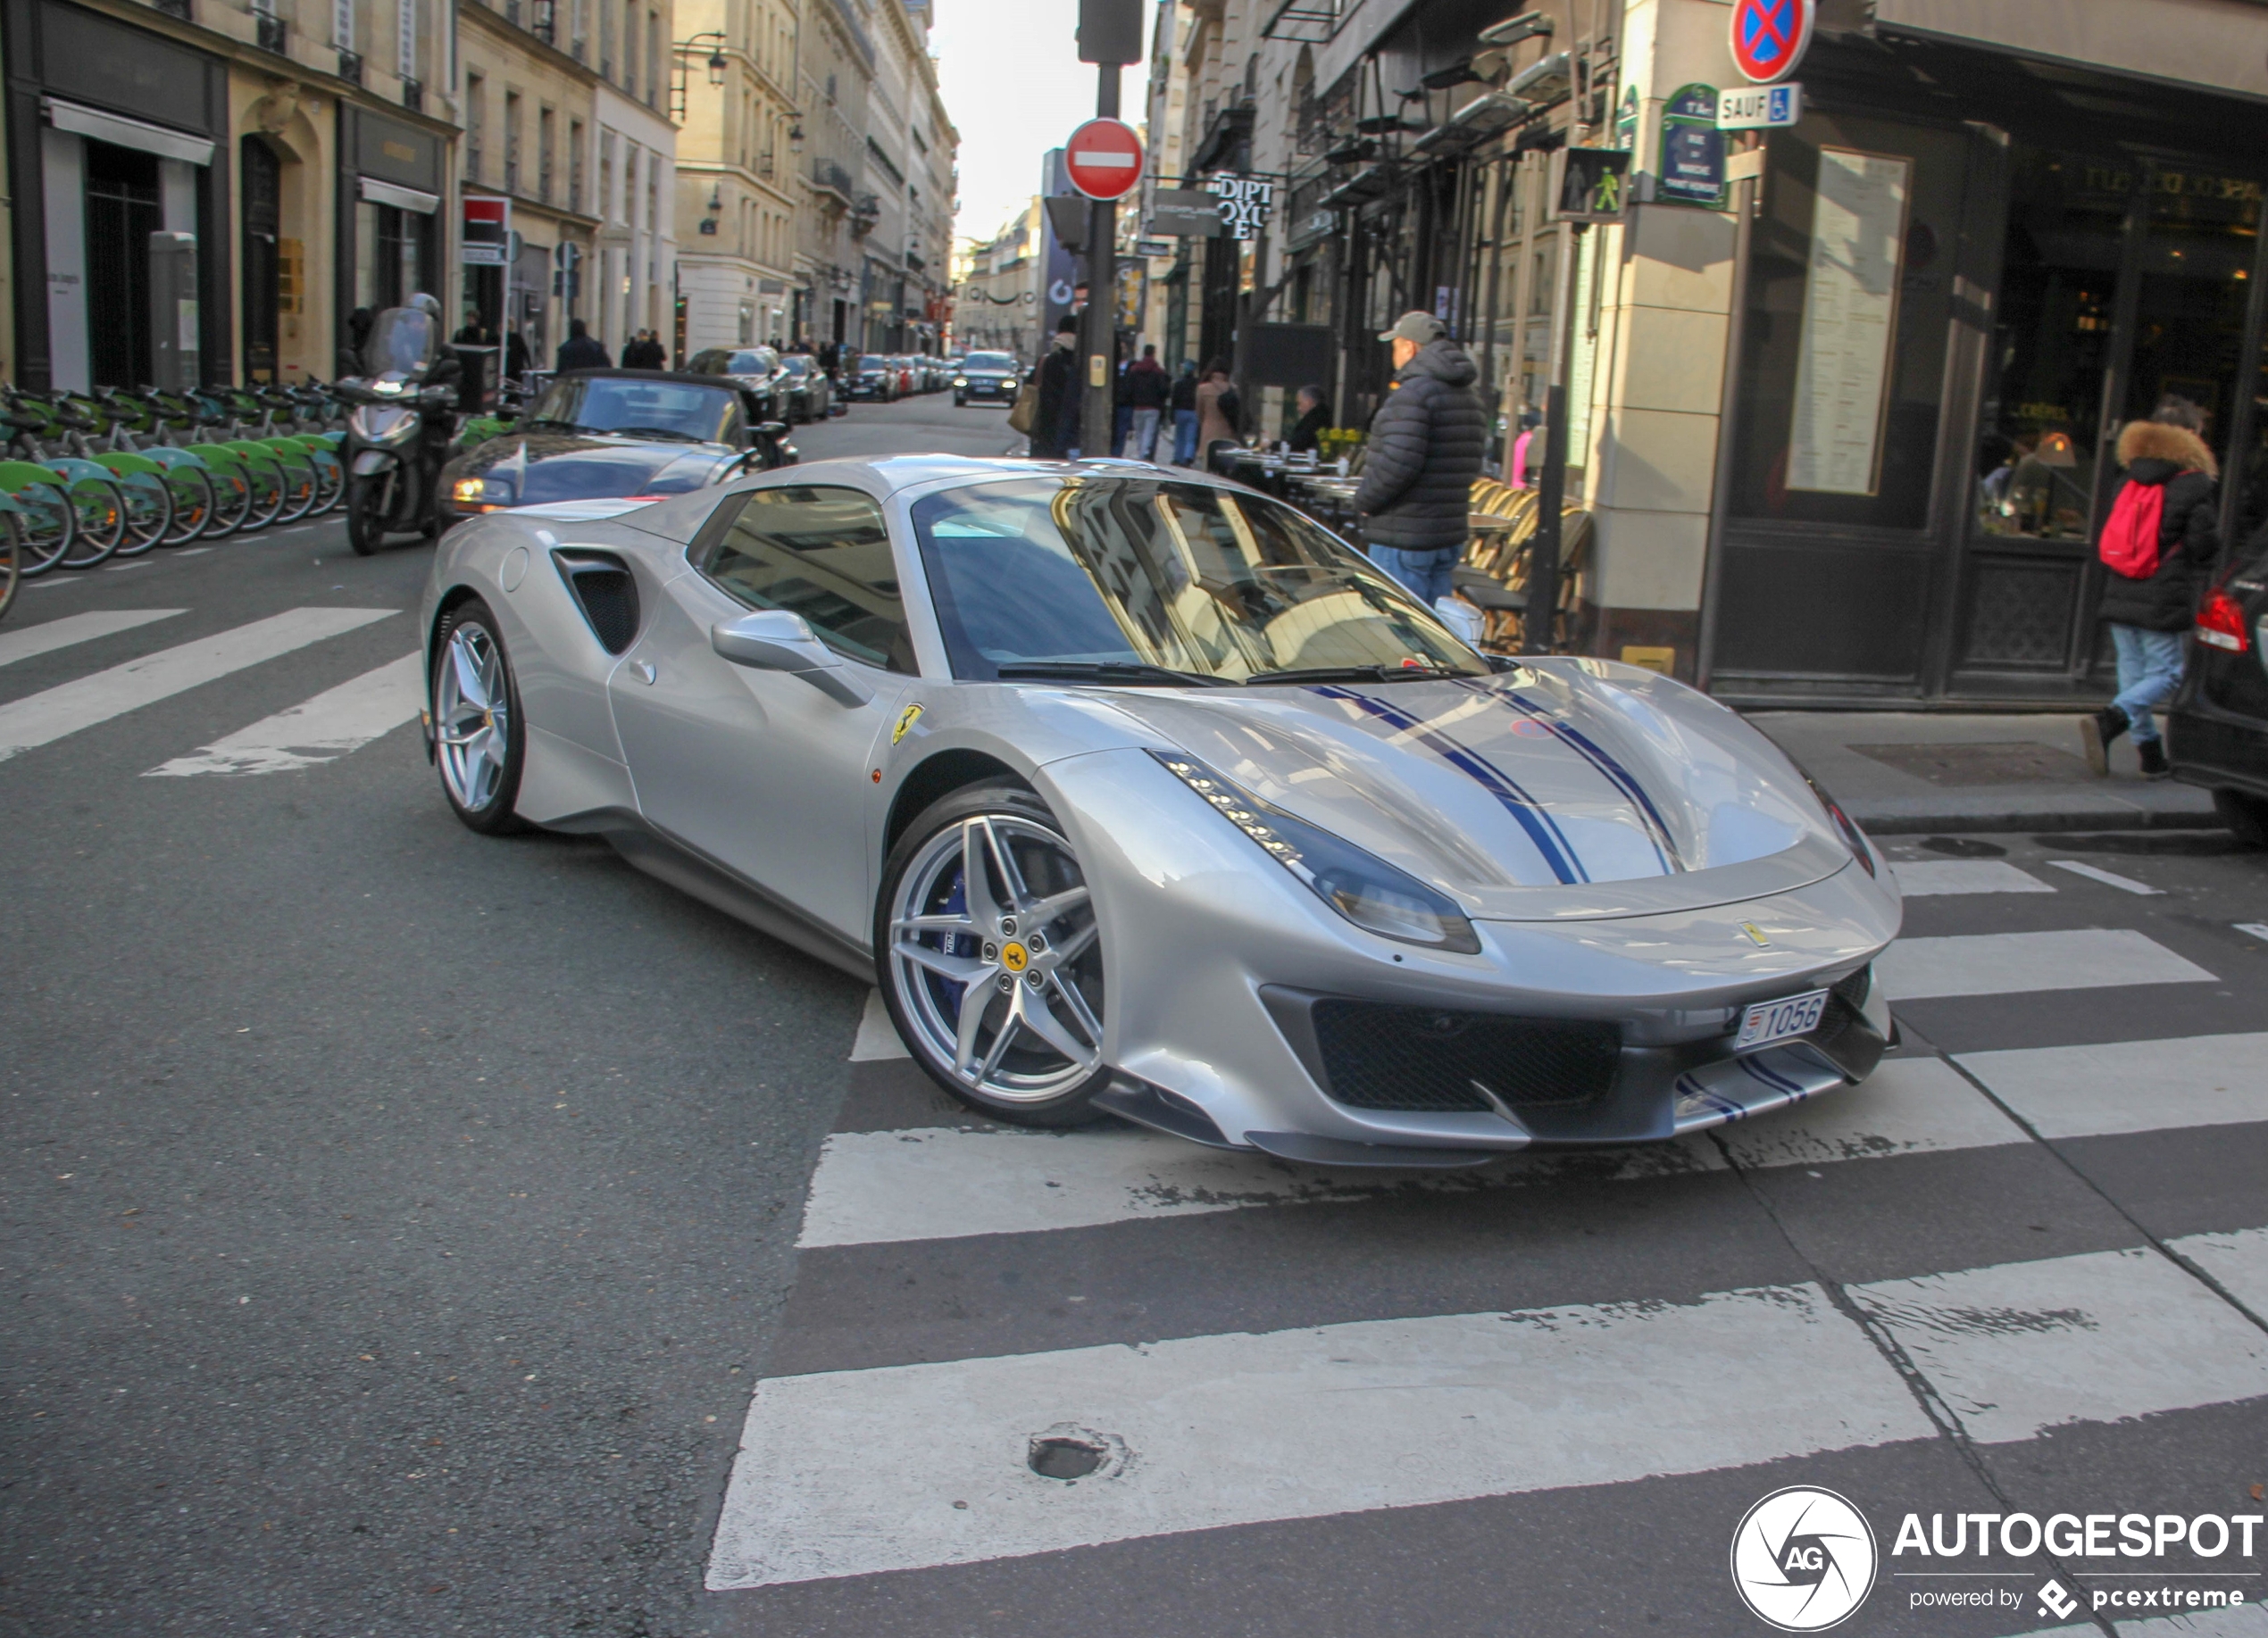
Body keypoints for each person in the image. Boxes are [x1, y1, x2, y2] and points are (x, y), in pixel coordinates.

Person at [2083, 396, 2222, 779]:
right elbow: (2202, 544)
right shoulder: (2192, 484)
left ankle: (2149, 752)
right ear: (2190, 436)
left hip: (2121, 585)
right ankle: (2110, 719)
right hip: (2163, 592)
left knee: (2133, 671)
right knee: (2167, 672)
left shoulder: (2128, 478)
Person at [1353, 311, 1486, 606]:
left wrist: (1364, 500)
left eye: (1395, 346)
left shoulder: (1413, 394)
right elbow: (1471, 463)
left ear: (1409, 347)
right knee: (1435, 630)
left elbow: (1398, 464)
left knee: (1400, 626)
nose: (1394, 355)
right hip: (1445, 532)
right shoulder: (1469, 396)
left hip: (1404, 531)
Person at [1030, 317, 1080, 459]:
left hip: (1046, 421)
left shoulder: (1047, 359)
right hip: (1072, 424)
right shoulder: (1080, 359)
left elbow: (1032, 383)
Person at [1122, 344, 1171, 461]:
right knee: (1149, 433)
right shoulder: (1158, 371)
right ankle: (1144, 453)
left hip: (1138, 407)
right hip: (1153, 407)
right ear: (1153, 353)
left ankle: (1140, 452)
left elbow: (1128, 389)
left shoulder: (1135, 370)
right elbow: (1164, 389)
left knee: (1139, 433)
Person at [1195, 359, 1238, 471]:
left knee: (1207, 469)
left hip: (1208, 433)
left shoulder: (1203, 389)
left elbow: (1199, 413)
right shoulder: (1233, 389)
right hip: (1229, 434)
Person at [1170, 359, 1200, 465]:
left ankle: (1178, 457)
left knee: (1180, 436)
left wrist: (1172, 415)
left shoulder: (1178, 383)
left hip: (1180, 411)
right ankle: (1188, 456)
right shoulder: (1198, 383)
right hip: (1193, 411)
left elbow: (1174, 400)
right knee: (1191, 437)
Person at [1288, 384, 1330, 454]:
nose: (1298, 408)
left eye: (1299, 403)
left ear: (1309, 402)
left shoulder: (1316, 420)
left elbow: (1298, 443)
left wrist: (1272, 445)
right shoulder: (1321, 417)